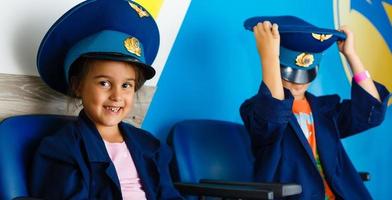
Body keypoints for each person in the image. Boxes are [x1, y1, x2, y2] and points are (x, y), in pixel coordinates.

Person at [29, 0, 183, 199]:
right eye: (104, 83)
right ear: (77, 86)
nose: (117, 96)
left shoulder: (150, 146)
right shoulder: (61, 149)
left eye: (126, 85)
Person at [240, 16, 391, 199]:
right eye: (289, 75)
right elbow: (272, 116)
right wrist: (269, 58)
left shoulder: (325, 110)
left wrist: (351, 55)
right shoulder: (256, 111)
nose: (298, 84)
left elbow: (371, 112)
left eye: (306, 75)